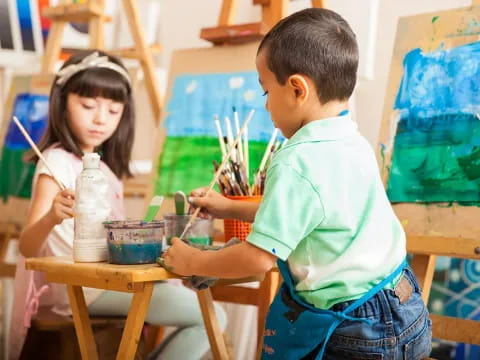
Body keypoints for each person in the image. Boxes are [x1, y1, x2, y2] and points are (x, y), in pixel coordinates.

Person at [162, 8, 432, 360]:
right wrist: (228, 207)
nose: (267, 107)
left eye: (265, 92)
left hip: (356, 330)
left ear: (296, 89)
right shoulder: (351, 140)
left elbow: (257, 259)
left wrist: (194, 260)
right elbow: (306, 212)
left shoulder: (296, 158)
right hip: (404, 311)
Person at [9, 50, 226, 360]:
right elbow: (28, 248)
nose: (100, 119)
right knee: (210, 318)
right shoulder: (57, 161)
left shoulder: (105, 171)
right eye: (87, 106)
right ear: (62, 102)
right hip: (83, 288)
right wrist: (51, 219)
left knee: (203, 311)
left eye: (113, 110)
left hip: (105, 281)